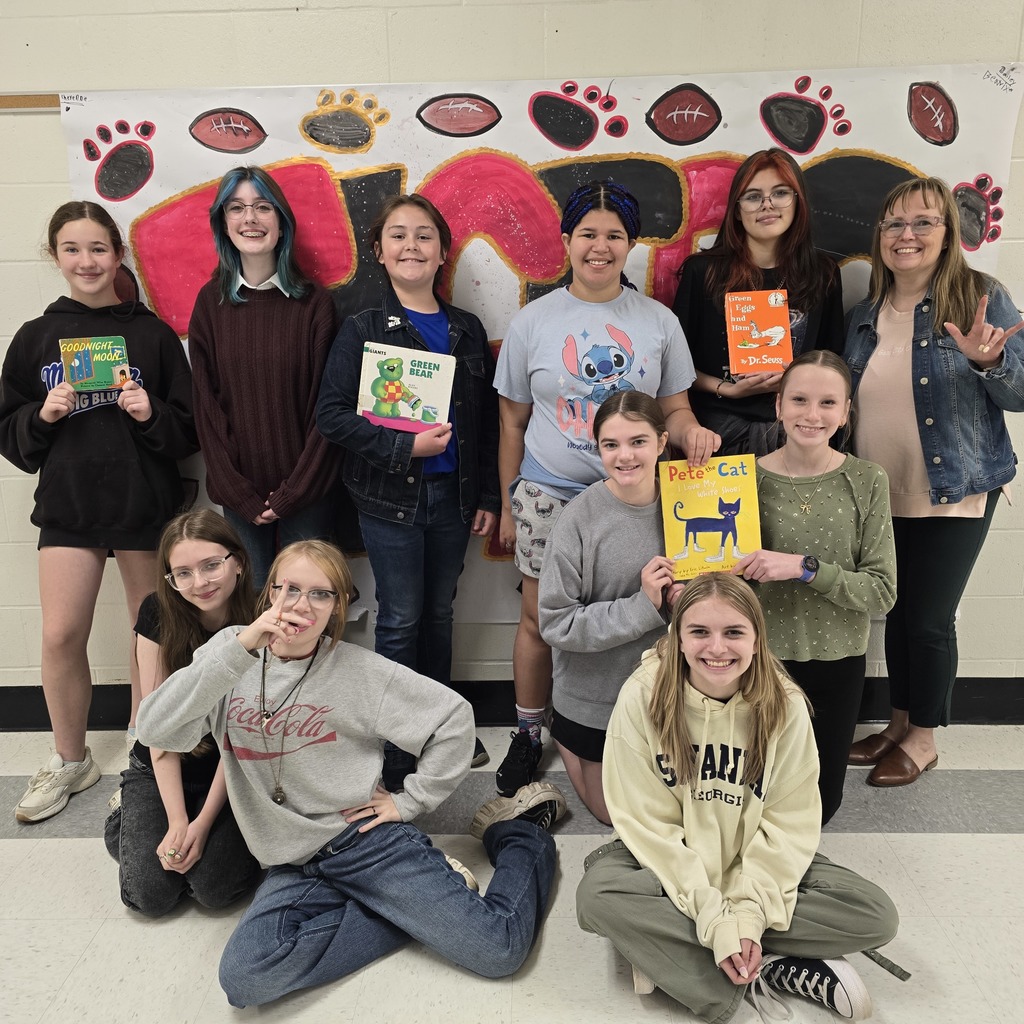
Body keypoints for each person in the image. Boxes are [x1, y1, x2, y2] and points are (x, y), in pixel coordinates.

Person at [136, 539, 566, 1007]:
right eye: (289, 589)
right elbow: (157, 729)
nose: (300, 605)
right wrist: (241, 646)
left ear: (337, 605)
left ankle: (520, 837)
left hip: (365, 841)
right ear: (268, 595)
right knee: (246, 978)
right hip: (292, 861)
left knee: (498, 949)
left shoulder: (360, 671)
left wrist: (410, 801)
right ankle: (410, 908)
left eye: (320, 594)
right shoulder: (229, 654)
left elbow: (453, 720)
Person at [576, 573, 899, 1023]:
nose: (717, 648)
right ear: (679, 637)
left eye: (733, 632)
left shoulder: (784, 704)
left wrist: (746, 916)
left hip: (751, 859)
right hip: (669, 864)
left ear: (756, 637)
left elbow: (789, 825)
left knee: (875, 915)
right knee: (598, 898)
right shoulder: (643, 696)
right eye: (699, 632)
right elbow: (648, 826)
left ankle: (669, 953)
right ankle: (761, 972)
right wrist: (714, 917)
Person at [493, 179, 720, 796]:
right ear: (566, 242)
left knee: (644, 615)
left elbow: (675, 409)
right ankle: (531, 730)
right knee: (541, 619)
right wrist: (511, 501)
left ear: (630, 245)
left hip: (640, 498)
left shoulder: (657, 321)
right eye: (587, 234)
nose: (600, 246)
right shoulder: (533, 321)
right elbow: (512, 420)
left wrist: (694, 431)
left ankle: (637, 723)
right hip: (551, 492)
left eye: (614, 235)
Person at [0, 201, 197, 823]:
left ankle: (147, 758)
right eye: (72, 249)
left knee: (153, 640)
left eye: (98, 248)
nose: (87, 261)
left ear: (118, 255)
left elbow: (190, 433)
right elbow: (9, 430)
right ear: (54, 256)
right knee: (60, 634)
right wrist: (43, 414)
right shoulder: (34, 336)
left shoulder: (154, 335)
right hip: (70, 505)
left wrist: (148, 413)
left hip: (145, 506)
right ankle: (70, 759)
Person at [844, 176, 1024, 785]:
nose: (907, 235)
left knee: (928, 617)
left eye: (923, 222)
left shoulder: (980, 297)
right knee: (897, 612)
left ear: (948, 233)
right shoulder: (864, 313)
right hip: (877, 490)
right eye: (894, 224)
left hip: (956, 487)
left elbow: (1022, 391)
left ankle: (923, 738)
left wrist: (991, 362)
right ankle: (897, 723)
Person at [316, 194, 500, 778]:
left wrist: (491, 498)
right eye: (398, 235)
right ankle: (398, 740)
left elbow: (487, 422)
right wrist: (404, 447)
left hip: (456, 497)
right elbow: (333, 415)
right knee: (400, 618)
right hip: (389, 497)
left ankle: (441, 727)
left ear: (443, 251)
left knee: (441, 614)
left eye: (424, 236)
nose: (412, 246)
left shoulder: (467, 330)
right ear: (379, 251)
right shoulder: (362, 329)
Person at [733, 351, 896, 822]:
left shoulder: (866, 480)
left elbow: (882, 591)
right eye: (800, 400)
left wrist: (805, 568)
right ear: (778, 405)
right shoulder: (741, 479)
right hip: (757, 660)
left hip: (837, 660)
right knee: (751, 793)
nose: (812, 414)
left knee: (820, 802)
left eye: (828, 403)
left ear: (846, 413)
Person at [188, 165, 338, 588]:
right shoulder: (210, 304)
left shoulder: (314, 305)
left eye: (262, 207)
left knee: (305, 610)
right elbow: (205, 407)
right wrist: (238, 493)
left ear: (281, 221)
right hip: (240, 495)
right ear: (223, 221)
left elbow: (327, 413)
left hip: (308, 493)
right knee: (249, 610)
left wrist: (295, 492)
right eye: (236, 208)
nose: (250, 218)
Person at [104, 509, 260, 915]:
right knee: (150, 897)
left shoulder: (260, 621)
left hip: (232, 768)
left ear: (238, 562)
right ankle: (126, 810)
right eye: (184, 573)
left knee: (214, 890)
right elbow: (156, 730)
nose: (200, 583)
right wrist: (177, 821)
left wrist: (203, 822)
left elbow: (241, 738)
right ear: (170, 578)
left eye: (211, 565)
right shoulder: (158, 612)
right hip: (158, 767)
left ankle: (189, 825)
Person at [539, 392, 676, 824]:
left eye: (638, 442)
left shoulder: (692, 502)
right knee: (614, 816)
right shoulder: (579, 519)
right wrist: (644, 604)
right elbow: (556, 624)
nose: (625, 456)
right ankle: (563, 729)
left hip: (667, 692)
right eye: (610, 445)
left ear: (662, 441)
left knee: (670, 814)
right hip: (594, 695)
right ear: (597, 447)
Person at [673, 148, 844, 457]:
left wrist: (797, 381)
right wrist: (727, 388)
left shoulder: (823, 273)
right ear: (737, 210)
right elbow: (676, 366)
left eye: (780, 193)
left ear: (797, 201)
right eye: (753, 197)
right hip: (716, 434)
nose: (767, 205)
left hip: (797, 431)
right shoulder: (703, 271)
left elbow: (833, 362)